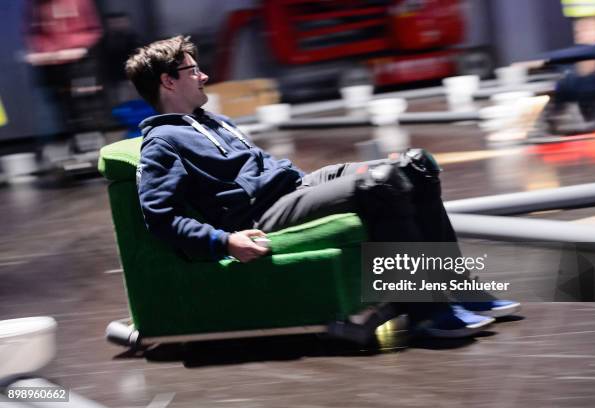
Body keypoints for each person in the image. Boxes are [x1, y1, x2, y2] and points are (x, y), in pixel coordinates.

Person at [125, 36, 520, 344]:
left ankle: (460, 291)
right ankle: (426, 314)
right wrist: (223, 241)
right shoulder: (162, 143)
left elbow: (267, 169)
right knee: (379, 185)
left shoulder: (214, 121)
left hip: (295, 186)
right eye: (193, 70)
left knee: (414, 165)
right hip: (262, 215)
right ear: (168, 80)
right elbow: (160, 216)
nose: (203, 75)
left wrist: (324, 180)